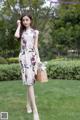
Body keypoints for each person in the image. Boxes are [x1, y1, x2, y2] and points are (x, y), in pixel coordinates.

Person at [14, 13, 41, 120]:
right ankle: (35, 111)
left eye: (27, 20)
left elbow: (35, 47)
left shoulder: (35, 32)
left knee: (30, 82)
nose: (25, 21)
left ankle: (28, 105)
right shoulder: (21, 31)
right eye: (23, 20)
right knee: (29, 82)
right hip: (24, 58)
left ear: (30, 20)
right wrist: (19, 25)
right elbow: (16, 36)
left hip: (32, 57)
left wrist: (38, 59)